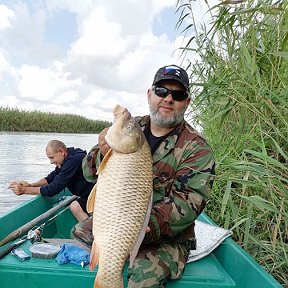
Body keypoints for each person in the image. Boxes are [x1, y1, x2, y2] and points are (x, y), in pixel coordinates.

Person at [72, 64, 216, 287]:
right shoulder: (131, 127)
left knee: (141, 281)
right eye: (161, 91)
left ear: (186, 102)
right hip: (119, 218)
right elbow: (88, 174)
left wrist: (141, 226)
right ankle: (108, 257)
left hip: (165, 235)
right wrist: (101, 151)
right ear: (150, 94)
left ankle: (115, 269)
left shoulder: (196, 148)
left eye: (177, 95)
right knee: (80, 230)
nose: (168, 99)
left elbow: (190, 202)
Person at [8, 140, 94, 222]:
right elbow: (50, 178)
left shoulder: (73, 161)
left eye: (52, 158)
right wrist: (30, 185)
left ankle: (91, 234)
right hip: (88, 194)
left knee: (75, 206)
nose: (51, 162)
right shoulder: (67, 158)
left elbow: (53, 189)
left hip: (96, 196)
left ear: (61, 151)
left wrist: (24, 190)